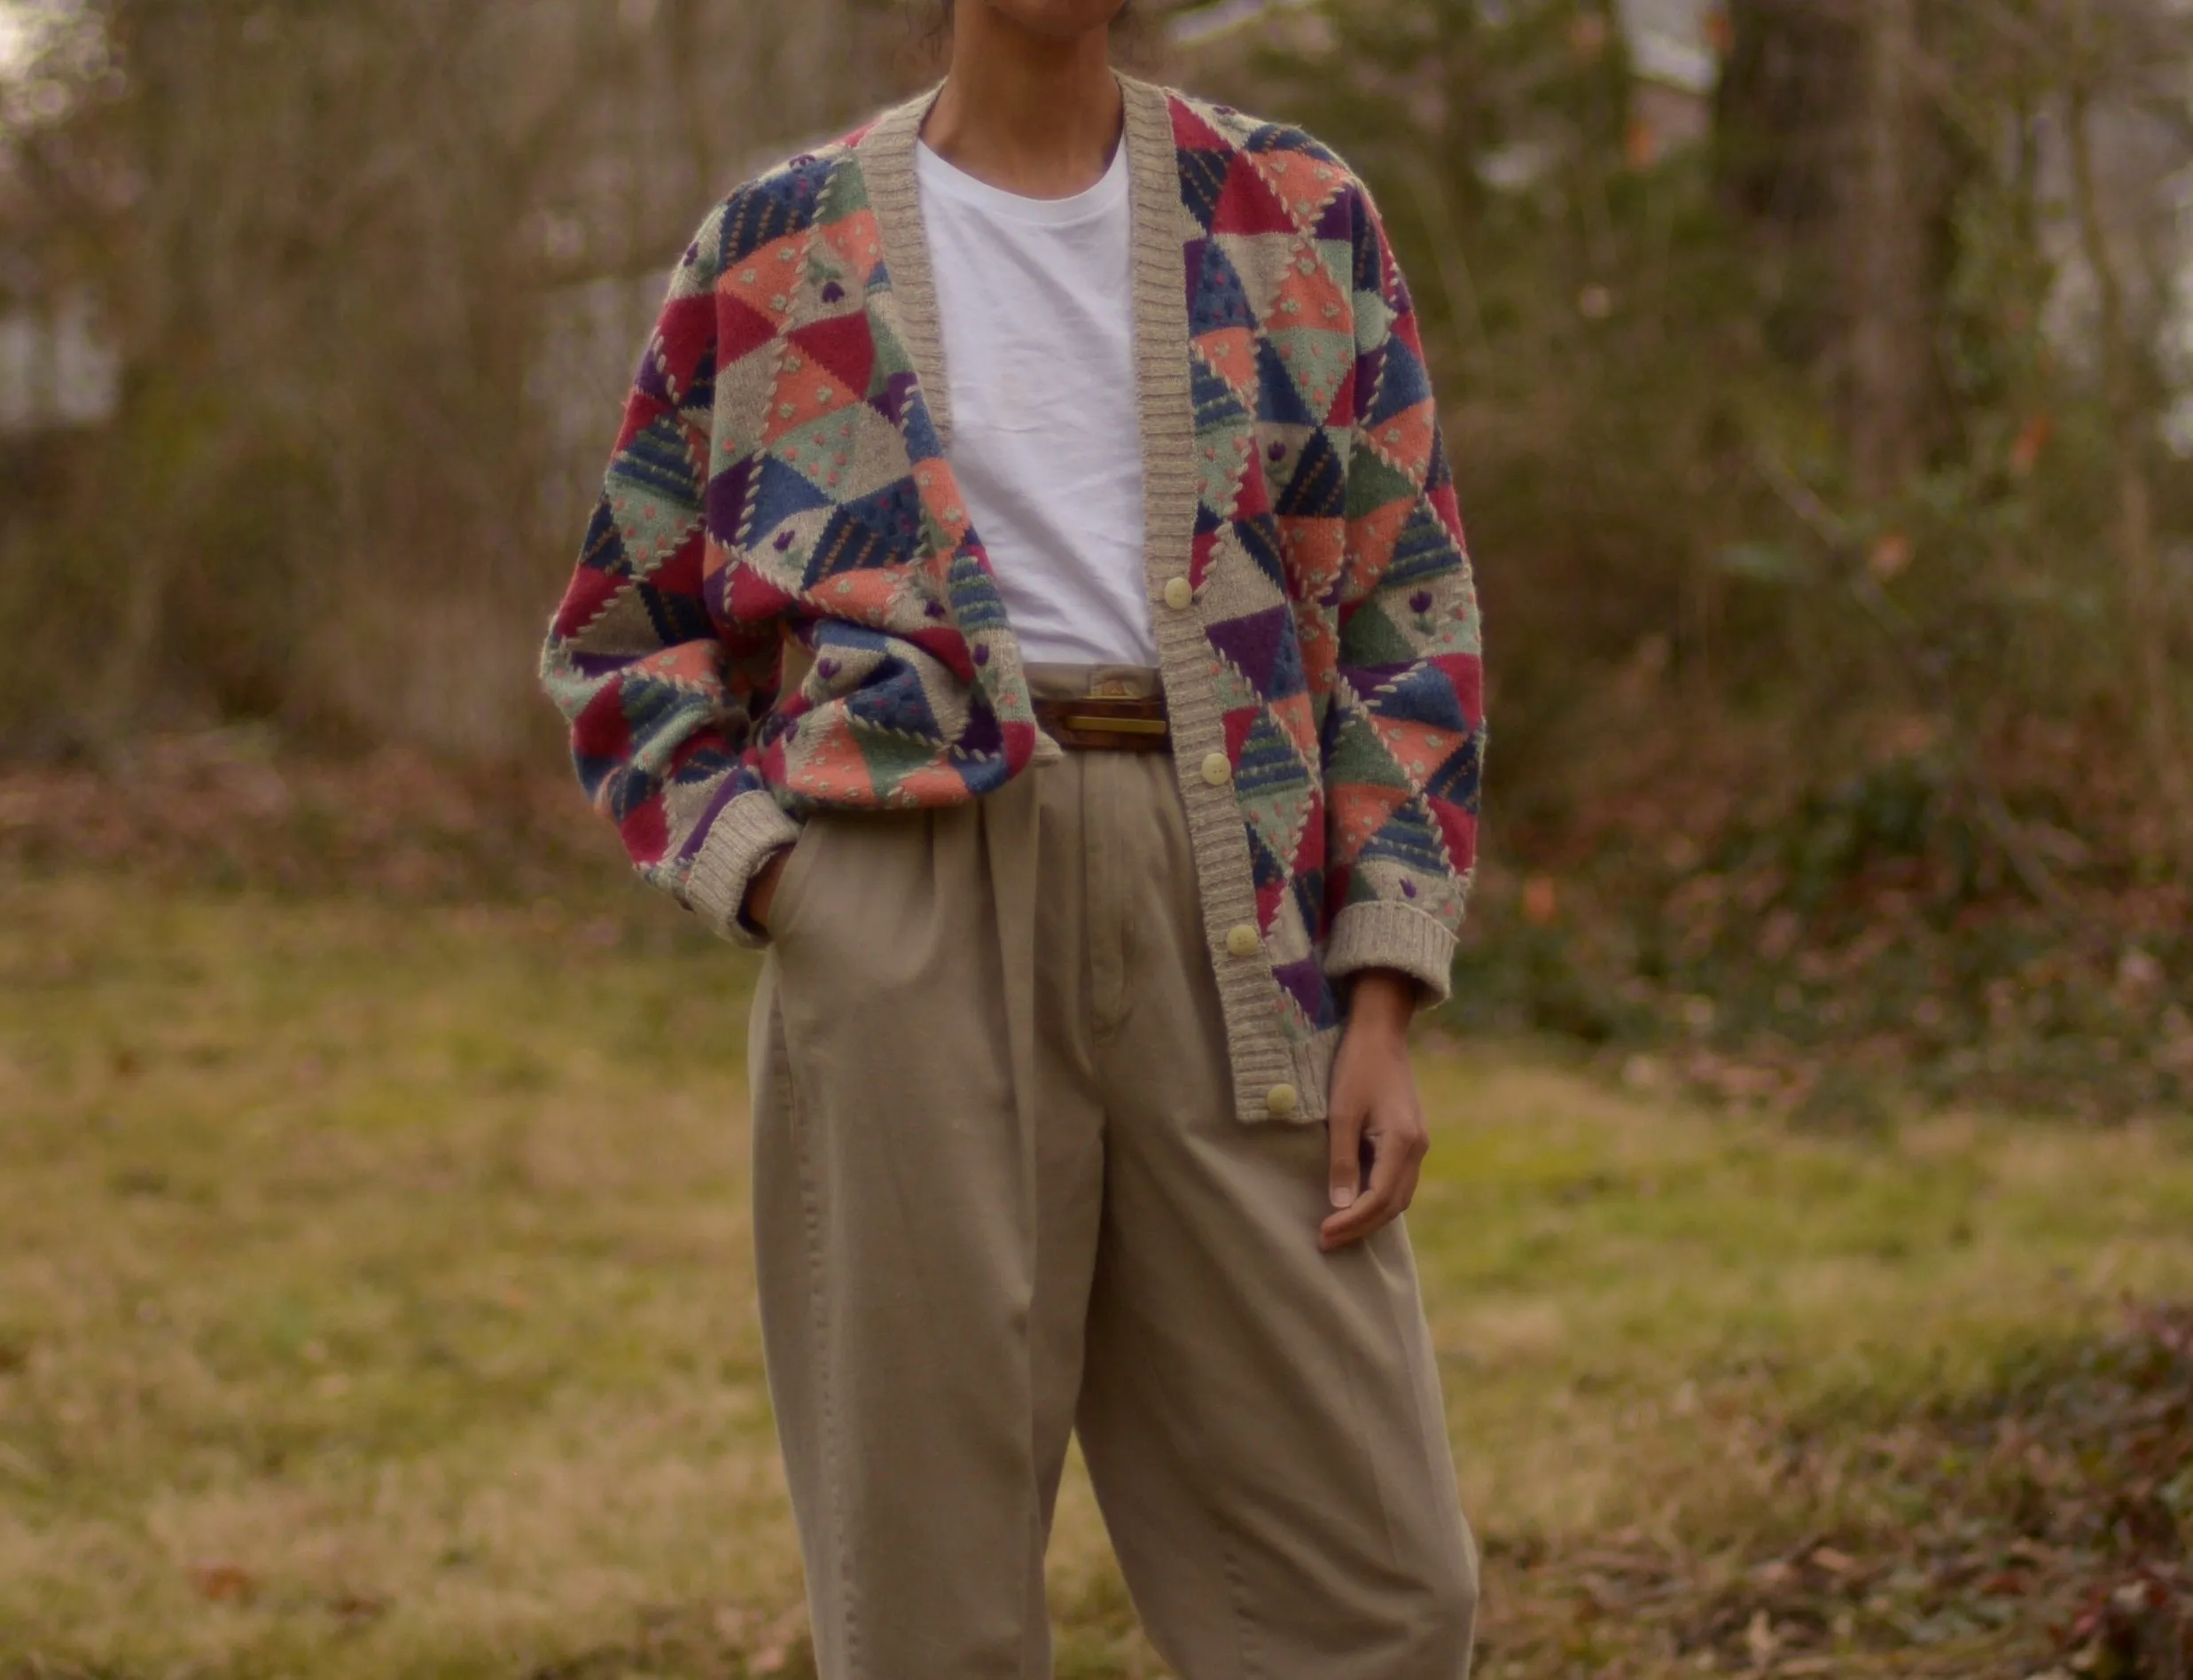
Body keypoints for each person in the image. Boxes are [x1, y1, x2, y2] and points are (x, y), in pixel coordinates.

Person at [539, 1, 1487, 1673]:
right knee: (926, 1605)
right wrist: (782, 880)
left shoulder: (1293, 212)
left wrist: (1388, 984)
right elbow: (619, 639)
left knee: (1380, 1595)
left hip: (1238, 902)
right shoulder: (777, 246)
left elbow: (1411, 612)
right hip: (903, 898)